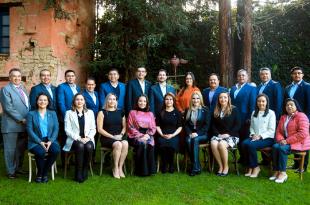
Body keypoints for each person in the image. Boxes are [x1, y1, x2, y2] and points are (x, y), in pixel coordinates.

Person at [270, 98, 310, 183]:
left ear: (296, 106)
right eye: (287, 105)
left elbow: (303, 133)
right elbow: (278, 131)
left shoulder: (301, 116)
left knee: (282, 149)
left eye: (291, 104)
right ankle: (277, 171)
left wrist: (287, 141)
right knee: (275, 146)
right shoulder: (283, 117)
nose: (289, 106)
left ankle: (283, 173)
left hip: (300, 143)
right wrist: (281, 140)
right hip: (287, 142)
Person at [0, 68, 29, 179]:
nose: (17, 78)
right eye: (14, 76)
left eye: (19, 76)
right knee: (10, 150)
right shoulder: (5, 90)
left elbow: (27, 105)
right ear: (10, 78)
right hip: (11, 125)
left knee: (20, 149)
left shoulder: (23, 88)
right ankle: (11, 172)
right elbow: (8, 108)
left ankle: (18, 168)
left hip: (24, 125)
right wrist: (21, 119)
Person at [26, 93, 60, 183]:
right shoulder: (31, 114)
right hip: (35, 141)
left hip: (50, 140)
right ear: (37, 102)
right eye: (40, 100)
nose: (42, 102)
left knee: (55, 150)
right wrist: (39, 142)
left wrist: (51, 141)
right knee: (40, 152)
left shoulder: (52, 113)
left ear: (48, 102)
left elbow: (56, 128)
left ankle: (44, 173)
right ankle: (40, 174)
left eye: (45, 100)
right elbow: (29, 130)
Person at [63, 93, 96, 183]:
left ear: (84, 101)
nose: (79, 101)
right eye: (77, 99)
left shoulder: (90, 112)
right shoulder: (69, 113)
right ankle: (78, 172)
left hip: (87, 138)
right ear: (74, 101)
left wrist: (88, 138)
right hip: (74, 139)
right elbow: (67, 130)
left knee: (89, 147)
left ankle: (85, 170)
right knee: (80, 146)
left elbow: (93, 128)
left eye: (81, 99)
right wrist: (78, 138)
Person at [241, 94, 276, 178]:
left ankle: (256, 167)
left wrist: (260, 136)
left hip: (267, 138)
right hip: (255, 136)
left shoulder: (271, 113)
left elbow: (271, 130)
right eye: (259, 101)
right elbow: (252, 127)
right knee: (244, 144)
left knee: (251, 145)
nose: (261, 103)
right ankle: (250, 167)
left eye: (263, 101)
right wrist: (253, 134)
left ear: (267, 102)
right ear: (256, 102)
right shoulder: (254, 112)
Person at [284, 66, 310, 171]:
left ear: (303, 75)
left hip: (303, 118)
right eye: (295, 73)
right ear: (292, 75)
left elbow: (309, 105)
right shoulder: (288, 88)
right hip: (290, 118)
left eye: (299, 73)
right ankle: (295, 164)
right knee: (293, 139)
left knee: (303, 141)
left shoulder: (307, 87)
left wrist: (308, 120)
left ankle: (303, 166)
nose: (297, 75)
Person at [97, 93, 128, 179]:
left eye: (114, 99)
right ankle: (114, 168)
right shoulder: (102, 112)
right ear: (106, 100)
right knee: (118, 144)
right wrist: (113, 137)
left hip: (119, 136)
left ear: (116, 101)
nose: (112, 101)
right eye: (110, 99)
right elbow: (100, 129)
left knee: (125, 143)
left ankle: (120, 167)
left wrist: (121, 134)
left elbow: (125, 126)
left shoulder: (120, 111)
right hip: (107, 137)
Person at [211, 92, 241, 176]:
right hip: (219, 135)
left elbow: (238, 124)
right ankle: (220, 166)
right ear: (218, 99)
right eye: (221, 97)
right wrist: (218, 134)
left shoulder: (234, 109)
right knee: (213, 143)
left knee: (221, 144)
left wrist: (228, 134)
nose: (223, 99)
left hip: (232, 135)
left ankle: (226, 166)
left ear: (228, 99)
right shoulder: (216, 110)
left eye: (225, 97)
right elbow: (213, 125)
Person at [230, 69, 256, 164]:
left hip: (245, 118)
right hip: (234, 118)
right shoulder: (233, 88)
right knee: (237, 138)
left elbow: (252, 104)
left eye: (243, 75)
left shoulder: (251, 88)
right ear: (237, 77)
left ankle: (247, 159)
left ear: (247, 77)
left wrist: (250, 117)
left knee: (245, 138)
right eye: (239, 75)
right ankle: (241, 157)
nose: (241, 77)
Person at [57, 69, 81, 167]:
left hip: (77, 118)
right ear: (65, 77)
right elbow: (61, 103)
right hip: (66, 119)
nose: (70, 77)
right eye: (68, 76)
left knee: (75, 138)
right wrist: (67, 116)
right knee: (65, 140)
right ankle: (64, 163)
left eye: (72, 76)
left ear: (75, 77)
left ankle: (72, 160)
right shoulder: (61, 87)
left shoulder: (78, 87)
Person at [127, 95, 156, 176]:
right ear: (137, 102)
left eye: (144, 101)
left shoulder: (150, 114)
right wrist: (140, 135)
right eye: (140, 101)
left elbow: (153, 127)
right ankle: (141, 170)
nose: (142, 103)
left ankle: (150, 170)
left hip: (148, 134)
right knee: (142, 143)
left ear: (147, 103)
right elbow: (130, 127)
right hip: (134, 135)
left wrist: (147, 135)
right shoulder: (132, 112)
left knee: (150, 143)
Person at [184, 91, 210, 176]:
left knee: (195, 140)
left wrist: (197, 133)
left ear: (200, 99)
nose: (195, 100)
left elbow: (206, 125)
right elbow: (185, 124)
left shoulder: (205, 110)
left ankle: (194, 167)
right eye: (194, 98)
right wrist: (190, 133)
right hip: (191, 133)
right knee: (188, 141)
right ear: (191, 99)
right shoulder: (188, 109)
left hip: (203, 134)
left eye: (197, 98)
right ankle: (197, 165)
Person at [156, 92, 182, 173]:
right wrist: (162, 135)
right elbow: (157, 126)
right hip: (162, 134)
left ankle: (171, 164)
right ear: (164, 101)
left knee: (171, 145)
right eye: (167, 99)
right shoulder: (160, 112)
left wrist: (172, 135)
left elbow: (180, 127)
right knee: (162, 144)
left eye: (170, 99)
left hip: (174, 135)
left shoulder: (177, 112)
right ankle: (164, 164)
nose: (169, 101)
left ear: (173, 101)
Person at [82, 77, 100, 163]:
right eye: (89, 84)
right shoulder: (82, 95)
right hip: (88, 121)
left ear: (95, 85)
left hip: (97, 120)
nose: (90, 86)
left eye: (92, 84)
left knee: (95, 140)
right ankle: (86, 159)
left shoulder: (97, 93)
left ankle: (92, 158)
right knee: (87, 138)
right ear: (86, 85)